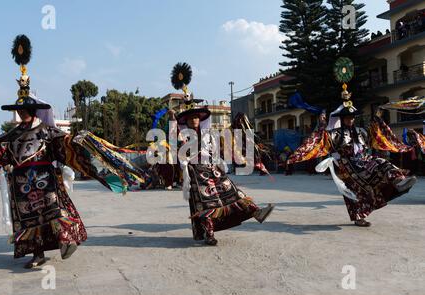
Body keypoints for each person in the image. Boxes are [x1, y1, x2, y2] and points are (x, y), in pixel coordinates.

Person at [0, 35, 144, 268]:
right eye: (20, 110)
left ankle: (67, 241)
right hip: (22, 185)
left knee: (56, 213)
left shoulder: (46, 130)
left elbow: (65, 145)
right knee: (31, 222)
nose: (23, 113)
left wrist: (80, 141)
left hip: (45, 181)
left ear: (34, 110)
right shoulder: (11, 135)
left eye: (27, 109)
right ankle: (38, 255)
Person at [288, 59, 417, 227]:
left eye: (352, 117)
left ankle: (398, 180)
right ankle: (359, 217)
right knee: (353, 192)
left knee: (381, 162)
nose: (351, 119)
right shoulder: (334, 134)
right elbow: (321, 138)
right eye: (348, 117)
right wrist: (321, 119)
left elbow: (373, 136)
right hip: (347, 166)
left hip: (364, 162)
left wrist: (378, 115)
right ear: (342, 118)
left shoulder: (361, 132)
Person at [166, 63, 274, 246]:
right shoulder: (183, 134)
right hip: (195, 173)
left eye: (196, 117)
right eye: (191, 117)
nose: (194, 120)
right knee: (206, 205)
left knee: (233, 192)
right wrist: (171, 120)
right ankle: (209, 234)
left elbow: (217, 149)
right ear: (187, 120)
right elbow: (173, 141)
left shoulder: (209, 135)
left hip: (212, 169)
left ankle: (256, 212)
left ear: (200, 119)